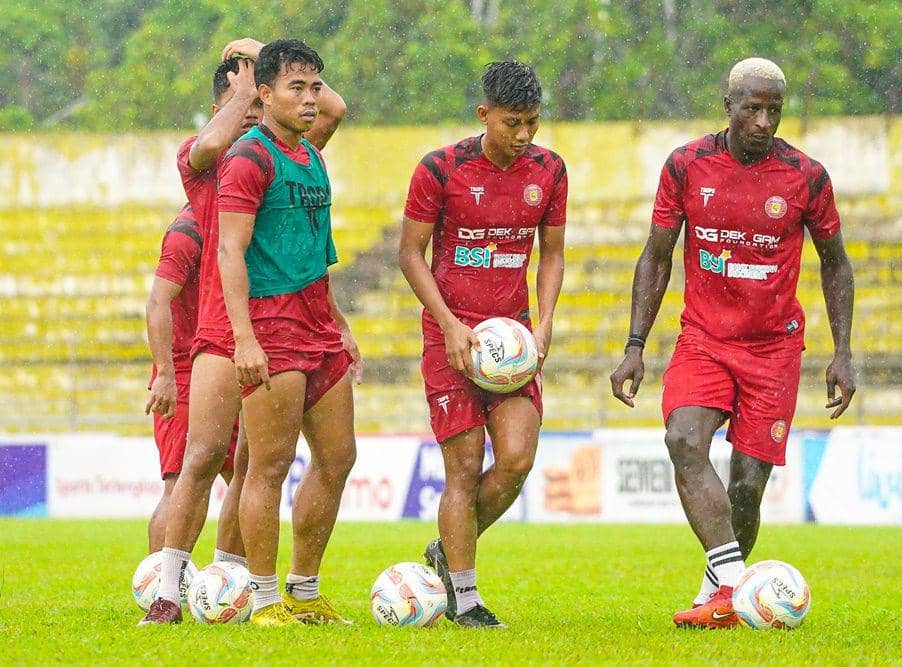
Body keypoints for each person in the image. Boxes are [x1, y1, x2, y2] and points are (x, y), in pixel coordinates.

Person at [609, 57, 856, 629]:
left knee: (747, 486)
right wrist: (635, 345)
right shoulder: (688, 164)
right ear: (728, 106)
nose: (764, 122)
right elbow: (656, 255)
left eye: (774, 110)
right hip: (705, 340)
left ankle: (715, 596)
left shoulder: (805, 176)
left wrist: (842, 351)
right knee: (682, 438)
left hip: (774, 349)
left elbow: (836, 264)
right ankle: (737, 584)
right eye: (753, 109)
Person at [140, 38, 348, 626]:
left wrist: (277, 60)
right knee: (203, 456)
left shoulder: (293, 152)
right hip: (221, 325)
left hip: (284, 321)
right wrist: (247, 87)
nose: (258, 120)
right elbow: (210, 141)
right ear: (233, 103)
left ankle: (237, 578)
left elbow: (330, 110)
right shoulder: (207, 159)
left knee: (257, 458)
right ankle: (168, 589)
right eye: (249, 107)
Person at [398, 61, 568, 628]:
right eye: (512, 123)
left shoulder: (550, 171)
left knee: (517, 458)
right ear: (484, 115)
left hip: (513, 340)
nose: (524, 136)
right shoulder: (440, 168)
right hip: (453, 338)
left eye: (533, 124)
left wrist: (544, 323)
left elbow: (553, 254)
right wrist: (448, 324)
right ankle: (465, 597)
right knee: (463, 468)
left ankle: (446, 551)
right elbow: (410, 255)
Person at [216, 38, 360, 627]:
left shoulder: (311, 155)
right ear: (264, 94)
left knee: (338, 458)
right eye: (295, 88)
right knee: (268, 467)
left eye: (314, 86)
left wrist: (340, 323)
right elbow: (230, 249)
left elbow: (314, 253)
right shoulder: (250, 157)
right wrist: (244, 338)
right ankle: (265, 598)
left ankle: (304, 590)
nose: (309, 98)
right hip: (272, 324)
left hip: (319, 320)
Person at [143, 203, 241, 555]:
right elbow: (158, 302)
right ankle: (160, 588)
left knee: (245, 479)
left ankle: (232, 581)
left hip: (227, 363)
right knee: (181, 480)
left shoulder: (235, 223)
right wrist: (165, 373)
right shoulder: (188, 232)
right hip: (184, 369)